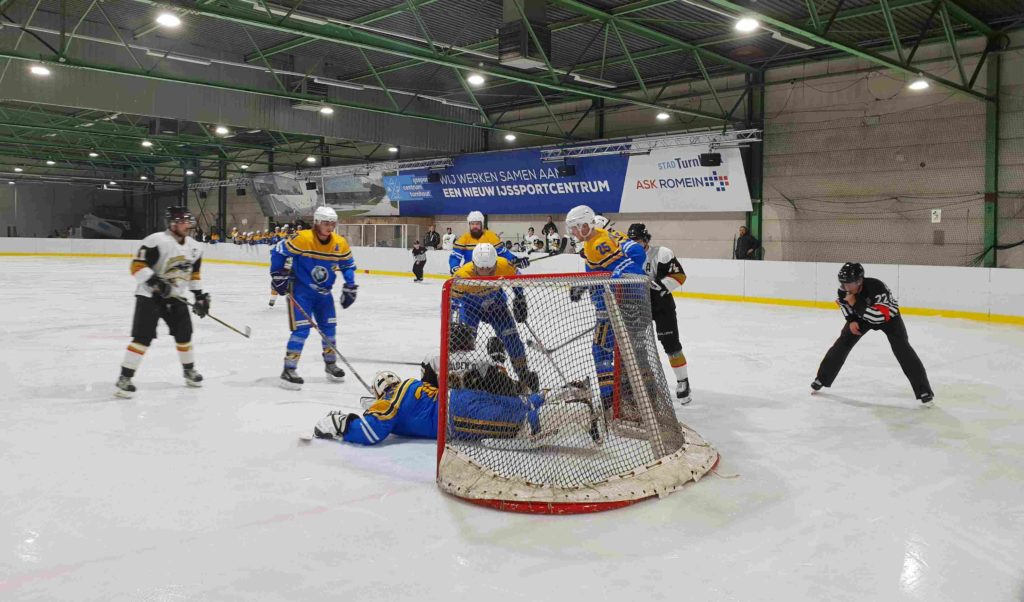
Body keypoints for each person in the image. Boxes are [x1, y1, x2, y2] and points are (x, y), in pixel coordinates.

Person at [312, 356, 596, 447]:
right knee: (522, 404)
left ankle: (584, 417)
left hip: (457, 416)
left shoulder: (387, 400)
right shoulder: (413, 385)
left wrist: (342, 424)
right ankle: (569, 390)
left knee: (522, 425)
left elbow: (373, 432)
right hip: (461, 397)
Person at [115, 206, 211, 398]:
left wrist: (199, 296)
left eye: (187, 221)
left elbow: (194, 274)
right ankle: (124, 378)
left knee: (185, 334)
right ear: (172, 224)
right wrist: (155, 282)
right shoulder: (156, 241)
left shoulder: (195, 247)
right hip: (149, 296)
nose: (187, 225)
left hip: (176, 296)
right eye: (182, 221)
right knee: (143, 337)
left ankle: (189, 371)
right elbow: (137, 266)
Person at [812, 262, 934, 406]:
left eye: (849, 283)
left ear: (859, 281)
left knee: (903, 349)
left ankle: (923, 391)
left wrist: (855, 304)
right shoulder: (843, 290)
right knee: (842, 343)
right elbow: (845, 306)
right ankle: (822, 378)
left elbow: (878, 317)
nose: (845, 287)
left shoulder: (876, 287)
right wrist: (851, 320)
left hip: (888, 318)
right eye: (843, 283)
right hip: (862, 316)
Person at [566, 204, 646, 408]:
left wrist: (618, 286)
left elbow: (630, 263)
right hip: (626, 303)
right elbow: (603, 271)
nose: (573, 233)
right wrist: (585, 285)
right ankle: (637, 394)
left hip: (617, 306)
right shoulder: (600, 236)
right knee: (630, 350)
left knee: (601, 349)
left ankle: (610, 398)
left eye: (575, 228)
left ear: (585, 225)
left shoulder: (597, 244)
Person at [270, 206, 357, 390]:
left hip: (324, 293)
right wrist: (278, 274)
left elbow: (347, 264)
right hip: (301, 291)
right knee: (302, 330)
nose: (330, 227)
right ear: (316, 222)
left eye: (332, 223)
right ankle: (289, 369)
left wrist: (350, 285)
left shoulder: (339, 243)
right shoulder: (302, 238)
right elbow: (278, 251)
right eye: (326, 223)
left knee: (329, 329)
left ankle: (330, 364)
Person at [450, 243, 537, 390]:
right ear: (474, 264)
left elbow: (517, 277)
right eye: (481, 268)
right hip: (471, 308)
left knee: (512, 338)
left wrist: (520, 298)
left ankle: (524, 376)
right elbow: (451, 301)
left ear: (495, 263)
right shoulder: (462, 276)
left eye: (489, 268)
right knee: (461, 341)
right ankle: (457, 377)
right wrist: (449, 323)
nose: (485, 272)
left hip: (497, 306)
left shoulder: (504, 265)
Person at [627, 223, 692, 404]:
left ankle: (682, 381)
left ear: (646, 239)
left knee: (671, 345)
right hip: (638, 307)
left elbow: (680, 276)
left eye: (638, 240)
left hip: (662, 306)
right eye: (632, 241)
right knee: (638, 347)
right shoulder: (626, 256)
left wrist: (661, 285)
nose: (636, 244)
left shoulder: (662, 253)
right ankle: (644, 383)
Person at [448, 210, 528, 274]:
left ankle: (519, 294)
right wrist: (454, 267)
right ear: (469, 225)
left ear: (482, 224)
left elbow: (503, 253)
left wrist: (515, 260)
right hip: (471, 274)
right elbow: (455, 256)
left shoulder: (491, 236)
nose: (475, 226)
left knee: (515, 272)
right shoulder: (464, 238)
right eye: (472, 224)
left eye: (477, 224)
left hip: (490, 273)